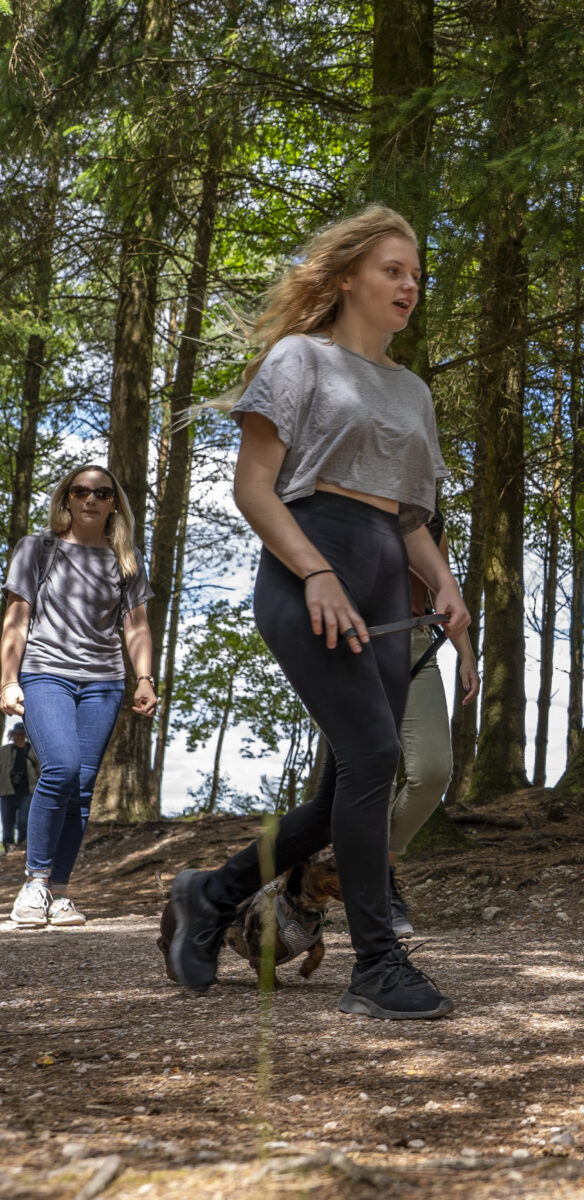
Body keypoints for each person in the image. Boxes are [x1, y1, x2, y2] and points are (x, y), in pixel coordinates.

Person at [161, 204, 469, 1019]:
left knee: (346, 787)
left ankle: (212, 892)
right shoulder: (298, 359)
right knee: (374, 758)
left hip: (383, 576)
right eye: (392, 270)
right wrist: (318, 572)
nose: (409, 286)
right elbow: (254, 488)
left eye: (415, 274)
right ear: (346, 280)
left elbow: (407, 515)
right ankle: (377, 962)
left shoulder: (412, 391)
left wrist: (446, 584)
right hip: (311, 566)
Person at [2, 465, 159, 926]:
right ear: (66, 498)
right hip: (45, 673)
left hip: (103, 682)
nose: (90, 499)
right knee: (61, 766)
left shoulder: (125, 557)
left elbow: (137, 625)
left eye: (102, 492)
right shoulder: (37, 548)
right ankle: (34, 883)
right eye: (81, 491)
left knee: (83, 788)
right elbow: (15, 618)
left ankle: (60, 892)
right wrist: (8, 681)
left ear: (114, 502)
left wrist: (145, 678)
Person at [384, 509, 478, 937]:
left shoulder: (430, 519)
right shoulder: (348, 499)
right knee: (369, 773)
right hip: (355, 647)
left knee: (434, 768)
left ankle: (383, 862)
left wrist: (466, 654)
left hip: (417, 643)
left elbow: (444, 586)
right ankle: (372, 890)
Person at [1, 723, 41, 855]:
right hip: (7, 791)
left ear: (26, 736)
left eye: (22, 734)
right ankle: (8, 847)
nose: (19, 737)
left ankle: (23, 845)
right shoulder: (4, 751)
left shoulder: (33, 751)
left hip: (28, 791)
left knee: (24, 821)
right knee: (8, 822)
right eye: (17, 734)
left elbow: (41, 770)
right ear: (13, 735)